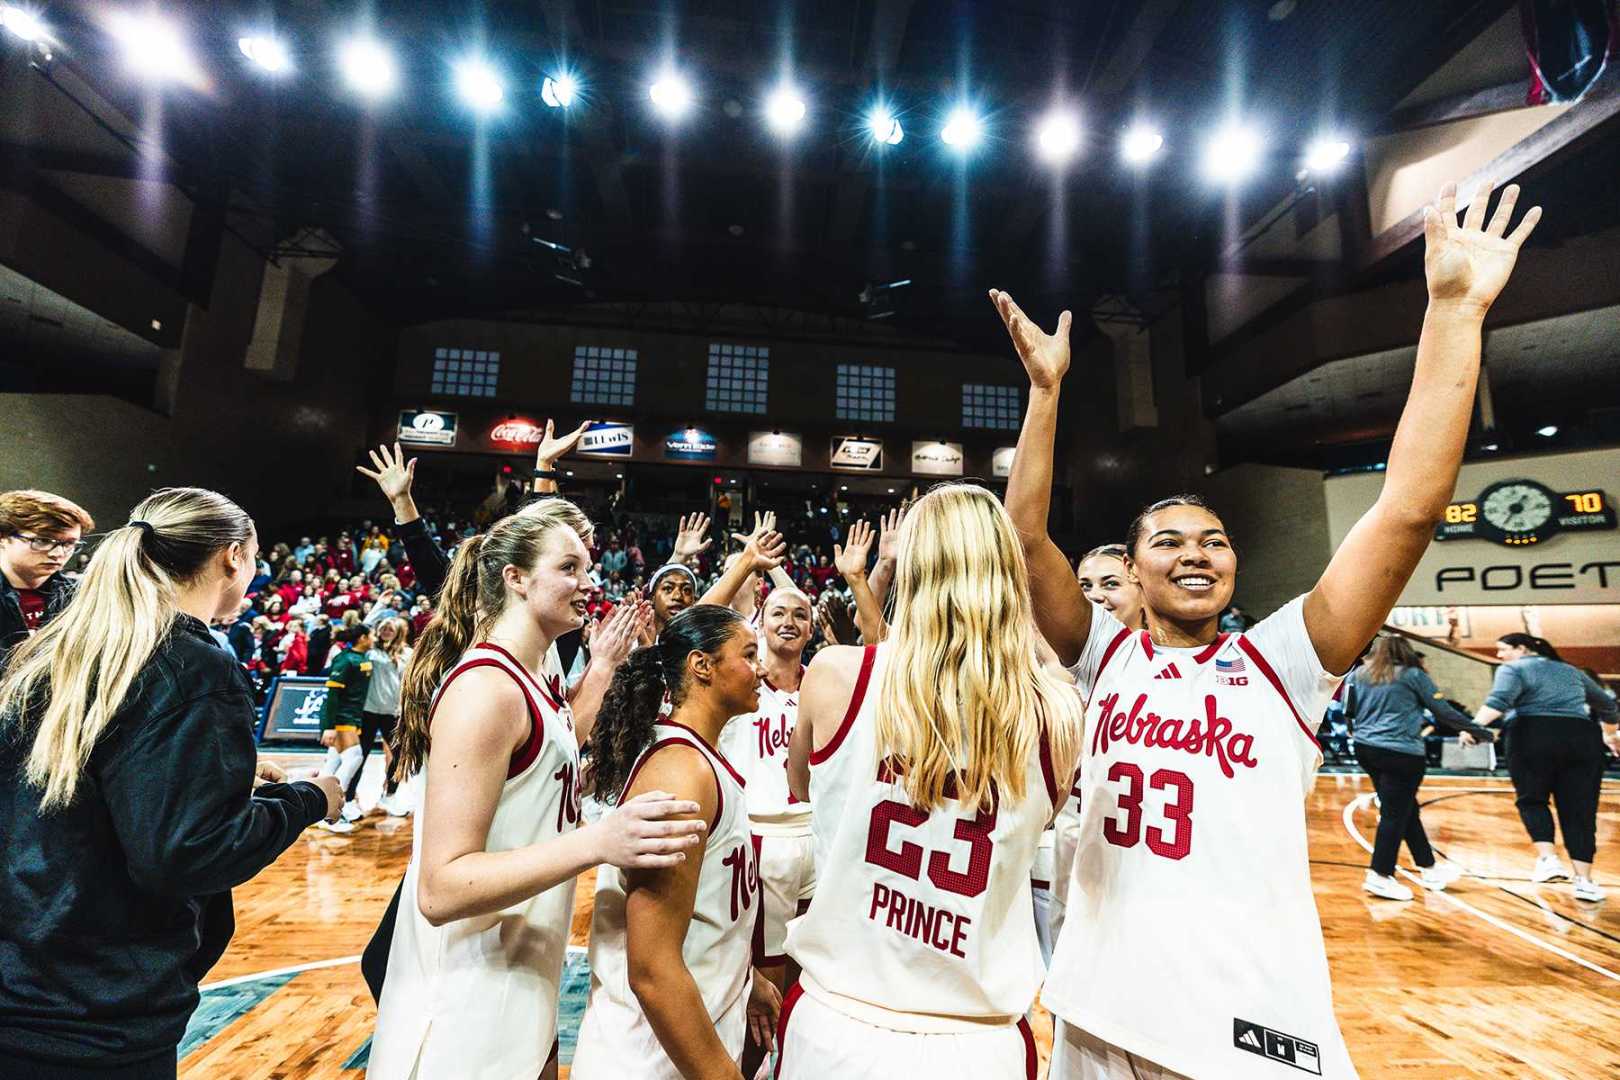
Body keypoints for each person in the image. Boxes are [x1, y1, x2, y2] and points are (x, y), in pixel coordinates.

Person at [993, 177, 1541, 1078]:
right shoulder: (1106, 655)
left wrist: (1453, 311)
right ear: (1132, 572)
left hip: (1244, 1022)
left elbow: (1407, 510)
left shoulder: (1284, 658)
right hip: (1096, 1011)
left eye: (1214, 540)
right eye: (1169, 542)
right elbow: (1022, 539)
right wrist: (1046, 392)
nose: (1196, 553)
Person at [0, 488, 344, 1078]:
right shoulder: (190, 664)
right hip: (97, 1009)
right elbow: (187, 853)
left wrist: (213, 775)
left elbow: (85, 786)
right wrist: (308, 800)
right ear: (233, 557)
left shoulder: (57, 646)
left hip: (26, 975)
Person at [367, 500, 698, 1080]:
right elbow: (441, 889)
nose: (589, 582)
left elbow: (540, 778)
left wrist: (604, 674)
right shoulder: (486, 690)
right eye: (570, 568)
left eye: (587, 566)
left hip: (516, 980)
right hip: (460, 1008)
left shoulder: (539, 675)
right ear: (515, 578)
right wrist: (598, 842)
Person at [776, 483, 1080, 1078]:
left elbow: (804, 787)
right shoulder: (1057, 710)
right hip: (978, 1040)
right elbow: (1039, 818)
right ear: (1007, 571)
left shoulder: (836, 674)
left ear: (913, 567)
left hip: (839, 1024)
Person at [570, 604, 782, 1080]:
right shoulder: (681, 773)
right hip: (647, 1060)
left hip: (673, 1049)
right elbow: (652, 968)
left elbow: (703, 909)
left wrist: (745, 977)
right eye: (749, 655)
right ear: (701, 665)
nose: (761, 669)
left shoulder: (696, 757)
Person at [718, 586, 816, 1078]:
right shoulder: (741, 685)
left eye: (800, 614)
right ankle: (749, 1069)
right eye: (778, 612)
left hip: (816, 838)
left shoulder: (823, 687)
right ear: (760, 622)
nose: (789, 621)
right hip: (761, 838)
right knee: (765, 988)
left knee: (808, 975)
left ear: (812, 629)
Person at [1462, 633, 1619, 900]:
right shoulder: (1571, 670)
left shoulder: (1512, 669)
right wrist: (1610, 736)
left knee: (1532, 799)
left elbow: (1498, 701)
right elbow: (1607, 705)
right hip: (1581, 737)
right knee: (1580, 810)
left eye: (1503, 650)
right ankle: (1585, 881)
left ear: (1522, 649)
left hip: (1531, 734)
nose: (1499, 656)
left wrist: (1473, 728)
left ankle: (1549, 860)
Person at [1343, 633, 1495, 900]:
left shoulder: (1357, 675)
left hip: (1366, 749)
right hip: (1401, 753)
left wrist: (1362, 734)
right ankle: (1379, 875)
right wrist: (1482, 732)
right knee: (1394, 814)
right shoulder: (1413, 675)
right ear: (1406, 652)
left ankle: (1429, 868)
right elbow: (1443, 711)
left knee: (1405, 809)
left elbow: (1349, 712)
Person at [0, 489, 94, 661]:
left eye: (69, 544)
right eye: (42, 541)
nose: (58, 553)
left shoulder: (84, 596)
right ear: (3, 537)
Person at [316, 624, 373, 832]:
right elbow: (332, 695)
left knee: (332, 763)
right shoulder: (344, 659)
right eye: (371, 636)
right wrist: (329, 726)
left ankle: (316, 810)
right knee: (354, 758)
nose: (374, 639)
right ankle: (331, 814)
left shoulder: (362, 657)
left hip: (354, 717)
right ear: (363, 638)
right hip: (342, 717)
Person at [354, 616, 411, 817]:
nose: (386, 631)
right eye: (383, 628)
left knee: (399, 755)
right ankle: (350, 798)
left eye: (390, 629)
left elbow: (408, 683)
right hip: (368, 711)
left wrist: (404, 708)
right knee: (359, 756)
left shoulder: (407, 653)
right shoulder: (369, 650)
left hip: (393, 713)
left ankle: (390, 795)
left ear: (398, 632)